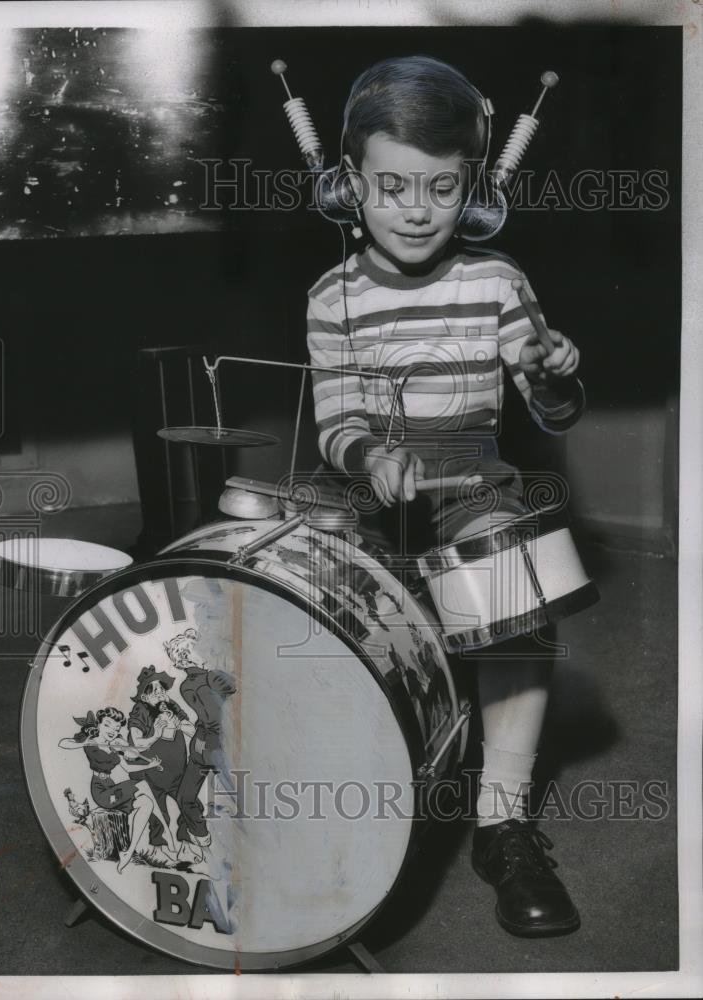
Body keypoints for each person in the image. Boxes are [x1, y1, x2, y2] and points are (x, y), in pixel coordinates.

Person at [306, 55, 585, 937]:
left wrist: (551, 374)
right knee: (327, 625)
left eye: (439, 186)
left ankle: (501, 820)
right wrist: (366, 458)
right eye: (391, 187)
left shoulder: (496, 281)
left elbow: (556, 409)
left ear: (472, 187)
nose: (415, 209)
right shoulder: (331, 298)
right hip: (370, 491)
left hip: (472, 480)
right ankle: (353, 803)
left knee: (515, 608)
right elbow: (333, 419)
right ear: (351, 181)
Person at [59, 706, 177, 873]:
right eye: (107, 725)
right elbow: (63, 743)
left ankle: (128, 852)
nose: (112, 731)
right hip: (101, 791)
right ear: (98, 724)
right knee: (141, 785)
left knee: (146, 803)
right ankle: (167, 832)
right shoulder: (90, 740)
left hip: (111, 787)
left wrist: (150, 764)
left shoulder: (114, 747)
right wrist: (85, 742)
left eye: (116, 728)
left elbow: (128, 768)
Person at [164, 632, 237, 861]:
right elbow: (234, 695)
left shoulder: (187, 685)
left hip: (200, 743)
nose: (206, 650)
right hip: (217, 745)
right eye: (200, 647)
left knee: (185, 796)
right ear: (186, 656)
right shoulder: (212, 677)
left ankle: (203, 838)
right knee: (240, 795)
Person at [126, 666, 200, 864]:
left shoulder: (171, 705)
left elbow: (192, 731)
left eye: (162, 687)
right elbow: (136, 742)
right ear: (144, 695)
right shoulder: (140, 711)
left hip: (176, 772)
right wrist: (156, 734)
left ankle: (186, 843)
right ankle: (157, 848)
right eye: (153, 688)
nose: (159, 692)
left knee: (189, 804)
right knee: (159, 813)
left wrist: (179, 725)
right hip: (151, 773)